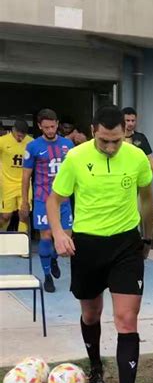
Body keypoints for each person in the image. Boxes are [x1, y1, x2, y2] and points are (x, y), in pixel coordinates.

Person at [46, 105, 153, 383]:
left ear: (126, 132)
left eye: (117, 141)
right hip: (87, 245)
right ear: (94, 131)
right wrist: (57, 234)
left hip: (125, 244)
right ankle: (96, 367)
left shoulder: (136, 157)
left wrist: (147, 238)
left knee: (126, 319)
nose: (110, 147)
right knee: (91, 313)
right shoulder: (76, 157)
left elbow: (147, 198)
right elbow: (55, 200)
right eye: (105, 141)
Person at [21, 109, 74, 293]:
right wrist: (24, 201)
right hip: (43, 199)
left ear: (57, 124)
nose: (50, 130)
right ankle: (47, 276)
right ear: (39, 126)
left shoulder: (68, 144)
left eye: (52, 126)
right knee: (45, 237)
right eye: (46, 127)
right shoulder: (33, 147)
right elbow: (26, 176)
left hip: (64, 200)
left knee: (66, 239)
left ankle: (53, 259)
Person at [0, 118, 32, 233]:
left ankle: (21, 246)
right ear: (13, 130)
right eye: (18, 135)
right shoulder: (2, 141)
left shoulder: (31, 142)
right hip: (7, 184)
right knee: (5, 216)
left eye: (23, 136)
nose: (20, 138)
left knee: (24, 214)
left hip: (25, 183)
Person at [122, 107, 153, 185]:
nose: (130, 123)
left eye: (133, 121)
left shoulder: (140, 137)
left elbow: (150, 157)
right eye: (127, 120)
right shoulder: (116, 138)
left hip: (136, 176)